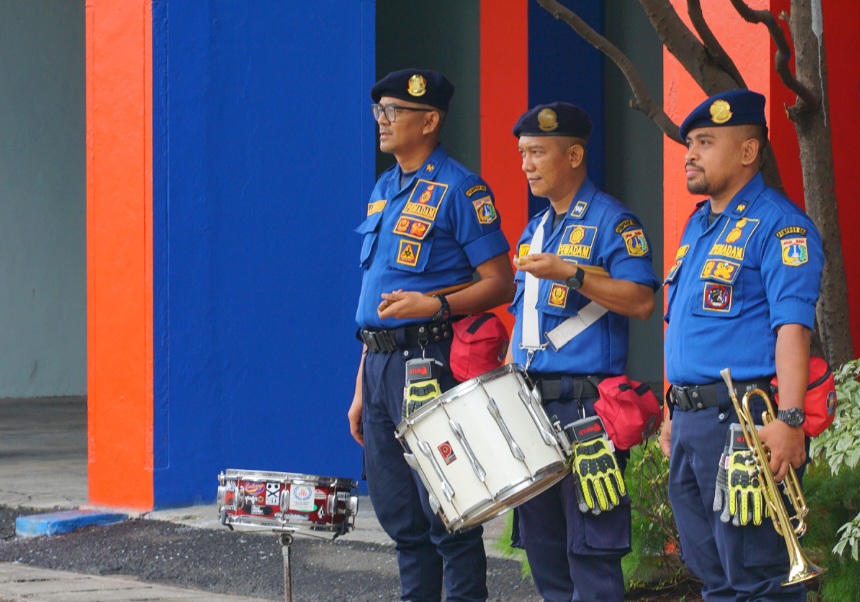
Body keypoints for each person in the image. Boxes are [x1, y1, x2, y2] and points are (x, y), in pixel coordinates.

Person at [347, 68, 515, 602]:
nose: (383, 121)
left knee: (449, 509)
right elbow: (374, 300)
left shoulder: (461, 188)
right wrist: (360, 389)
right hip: (378, 366)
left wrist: (435, 303)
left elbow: (500, 282)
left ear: (430, 120)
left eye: (393, 112)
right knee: (399, 514)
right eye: (379, 112)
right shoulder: (383, 188)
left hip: (428, 364)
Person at [659, 89, 824, 601]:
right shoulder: (699, 224)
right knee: (715, 578)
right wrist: (671, 413)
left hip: (742, 427)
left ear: (748, 152)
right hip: (690, 424)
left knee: (760, 579)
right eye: (690, 143)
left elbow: (792, 330)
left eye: (705, 142)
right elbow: (687, 329)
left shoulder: (781, 226)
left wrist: (791, 420)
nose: (690, 154)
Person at [508, 102, 660, 602]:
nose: (526, 164)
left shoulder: (614, 222)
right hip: (531, 407)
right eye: (522, 153)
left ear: (573, 155)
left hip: (584, 412)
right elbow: (525, 326)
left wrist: (572, 273)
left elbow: (640, 300)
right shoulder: (535, 229)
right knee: (545, 555)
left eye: (537, 153)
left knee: (592, 560)